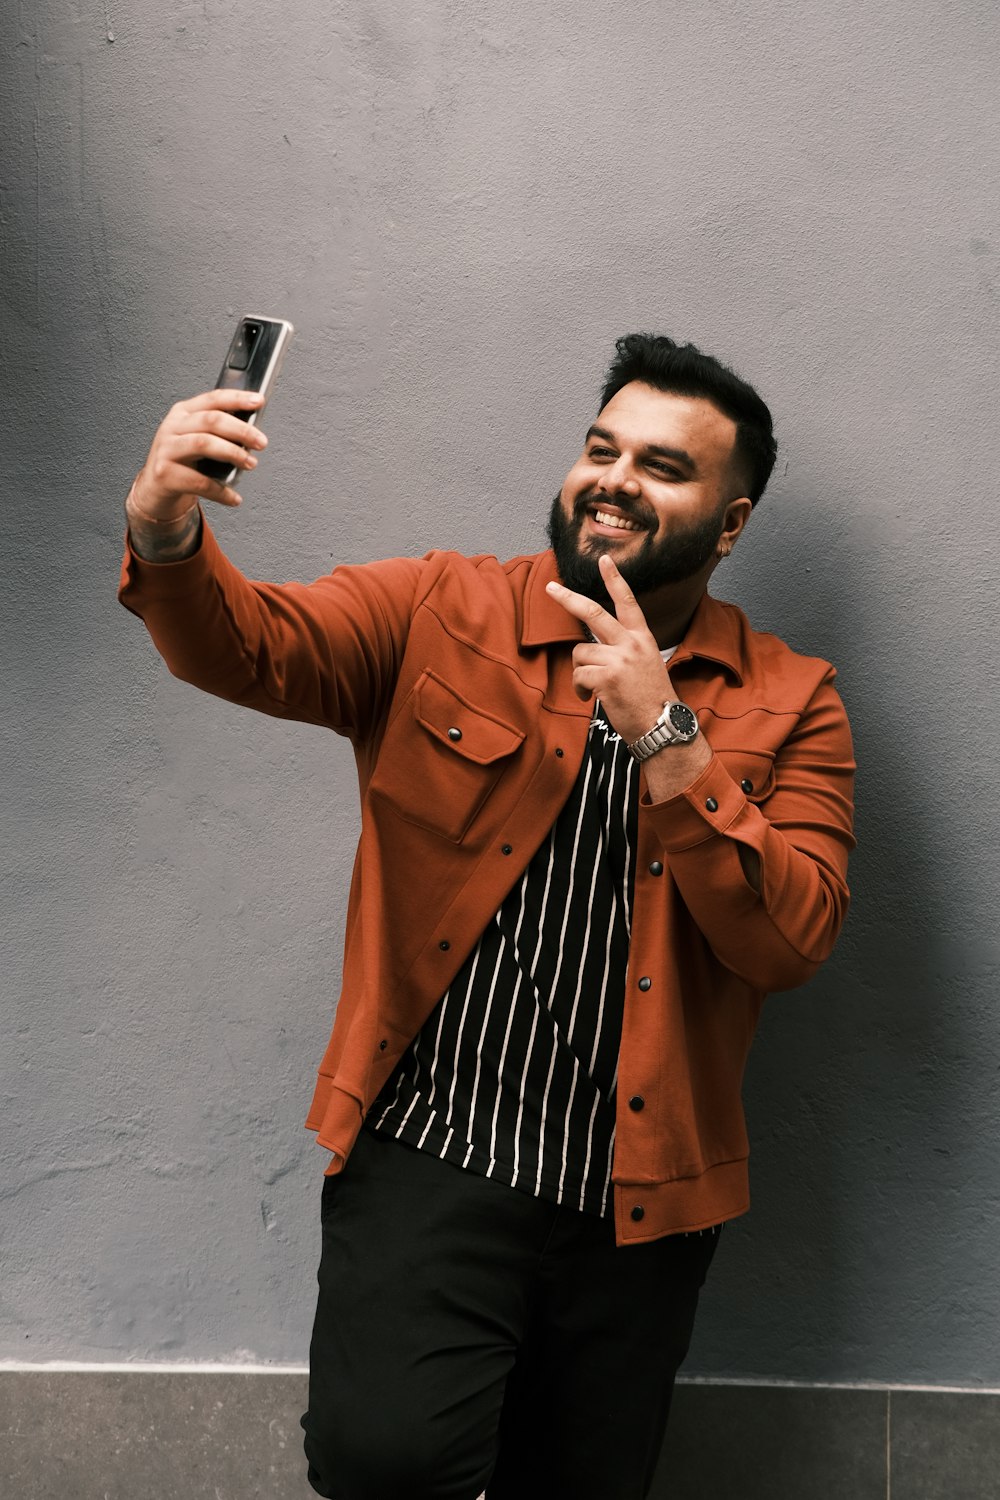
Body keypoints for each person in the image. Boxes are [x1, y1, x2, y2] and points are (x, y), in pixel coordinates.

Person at [119, 333, 855, 1500]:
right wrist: (166, 528)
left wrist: (668, 740)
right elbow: (245, 645)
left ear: (728, 524)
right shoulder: (437, 610)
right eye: (599, 446)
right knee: (384, 1458)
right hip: (436, 1149)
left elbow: (792, 937)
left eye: (662, 466)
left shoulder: (792, 700)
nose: (613, 476)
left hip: (642, 1193)